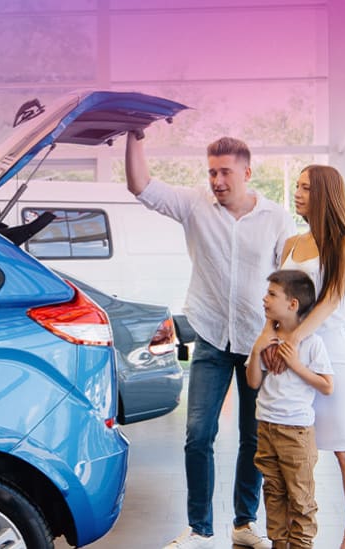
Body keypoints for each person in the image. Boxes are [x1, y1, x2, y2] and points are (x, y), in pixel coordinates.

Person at [126, 131, 296, 549]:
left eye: (225, 172)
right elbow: (140, 186)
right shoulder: (194, 205)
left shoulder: (276, 218)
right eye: (211, 172)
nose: (217, 181)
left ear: (247, 172)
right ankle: (200, 529)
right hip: (211, 339)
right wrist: (136, 137)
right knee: (198, 434)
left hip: (259, 343)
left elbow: (289, 285)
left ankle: (244, 524)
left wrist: (279, 340)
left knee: (253, 437)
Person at [262, 164, 345, 549]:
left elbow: (328, 304)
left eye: (306, 187)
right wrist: (274, 341)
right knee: (295, 451)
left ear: (324, 193)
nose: (298, 193)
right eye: (298, 186)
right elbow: (278, 303)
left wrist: (290, 342)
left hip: (332, 357)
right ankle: (294, 535)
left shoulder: (344, 244)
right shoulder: (291, 243)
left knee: (343, 447)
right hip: (291, 359)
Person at [247, 270, 335, 549]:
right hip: (266, 427)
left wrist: (296, 364)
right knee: (273, 491)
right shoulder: (267, 338)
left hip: (296, 432)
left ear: (292, 304)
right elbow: (253, 382)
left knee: (300, 498)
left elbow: (327, 386)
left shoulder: (311, 343)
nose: (265, 299)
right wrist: (256, 350)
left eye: (272, 294)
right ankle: (278, 543)